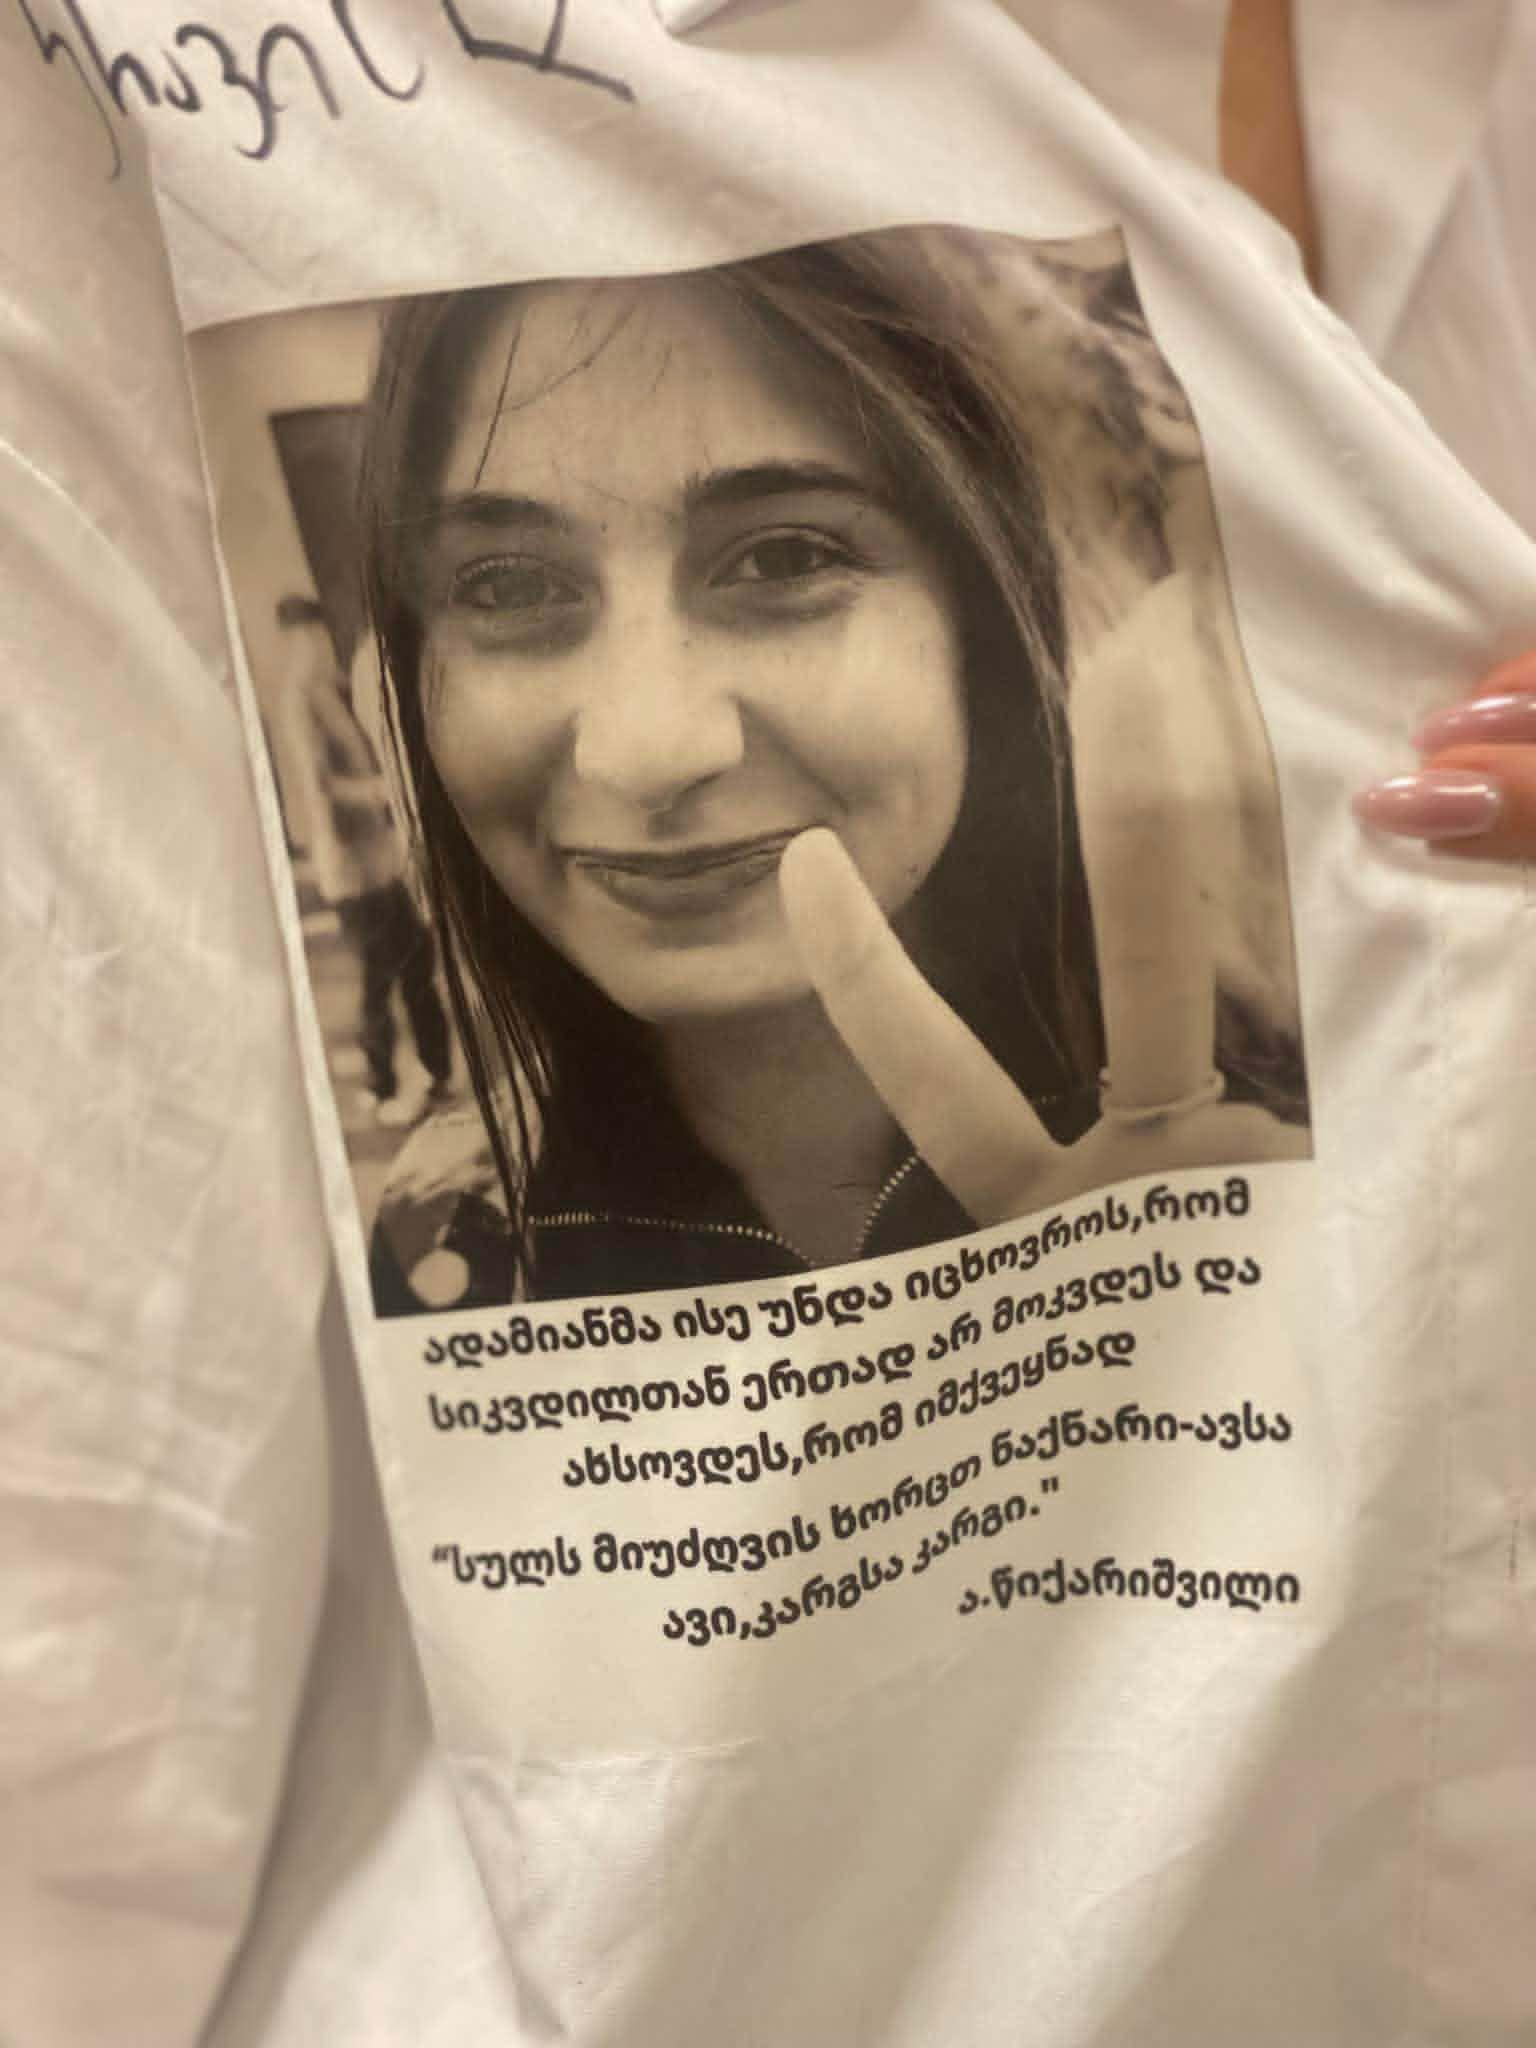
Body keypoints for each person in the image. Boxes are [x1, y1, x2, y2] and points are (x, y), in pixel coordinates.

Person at [358, 230, 1311, 1311]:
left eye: (784, 558)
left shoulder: (1291, 1117)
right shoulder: (447, 1232)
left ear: (990, 614)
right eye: (509, 587)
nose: (647, 752)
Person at [276, 594, 455, 1127]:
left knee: (416, 961)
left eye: (318, 636)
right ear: (292, 641)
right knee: (380, 974)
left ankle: (437, 1073)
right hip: (350, 867)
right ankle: (382, 1085)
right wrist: (379, 791)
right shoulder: (297, 703)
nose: (316, 648)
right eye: (306, 639)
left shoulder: (330, 691)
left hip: (378, 856)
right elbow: (322, 790)